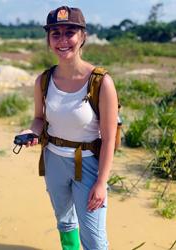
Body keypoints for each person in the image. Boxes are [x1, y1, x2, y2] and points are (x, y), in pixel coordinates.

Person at [19, 5, 118, 250]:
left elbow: (108, 138)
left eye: (70, 33)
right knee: (64, 222)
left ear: (83, 36)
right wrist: (31, 132)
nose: (62, 40)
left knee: (94, 238)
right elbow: (39, 119)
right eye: (56, 34)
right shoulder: (43, 80)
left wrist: (101, 183)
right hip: (53, 160)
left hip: (88, 165)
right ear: (48, 40)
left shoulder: (101, 82)